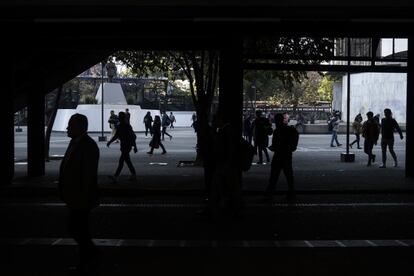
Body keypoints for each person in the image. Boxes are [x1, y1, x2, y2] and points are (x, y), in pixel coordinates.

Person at [58, 114, 100, 272]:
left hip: (81, 197)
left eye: (71, 125)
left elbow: (87, 174)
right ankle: (90, 257)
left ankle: (89, 258)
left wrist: (83, 196)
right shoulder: (75, 142)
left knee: (78, 229)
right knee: (79, 229)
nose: (68, 128)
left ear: (81, 127)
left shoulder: (87, 145)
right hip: (75, 196)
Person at [265, 113, 299, 200]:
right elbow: (296, 135)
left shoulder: (277, 131)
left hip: (278, 155)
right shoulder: (289, 129)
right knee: (288, 175)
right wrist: (293, 147)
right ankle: (291, 192)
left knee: (274, 175)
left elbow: (275, 144)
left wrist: (273, 148)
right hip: (287, 154)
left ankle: (270, 192)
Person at [107, 112, 138, 182]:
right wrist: (110, 142)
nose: (118, 118)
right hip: (125, 145)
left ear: (121, 118)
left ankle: (115, 176)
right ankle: (134, 175)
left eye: (119, 117)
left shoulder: (125, 126)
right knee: (127, 161)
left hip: (126, 146)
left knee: (121, 161)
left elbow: (131, 136)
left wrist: (110, 142)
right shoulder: (124, 125)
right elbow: (117, 136)